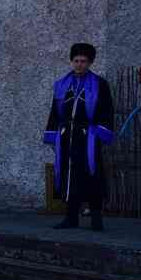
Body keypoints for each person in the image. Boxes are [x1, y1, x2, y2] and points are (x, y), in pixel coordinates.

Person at [44, 43, 114, 231]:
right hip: (66, 137)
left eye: (83, 61)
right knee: (68, 175)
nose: (79, 64)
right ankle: (71, 218)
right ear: (71, 61)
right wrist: (53, 134)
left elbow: (107, 112)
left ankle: (97, 220)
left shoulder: (100, 85)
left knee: (92, 175)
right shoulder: (62, 85)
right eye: (76, 61)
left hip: (89, 138)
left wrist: (99, 134)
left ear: (90, 62)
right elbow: (54, 111)